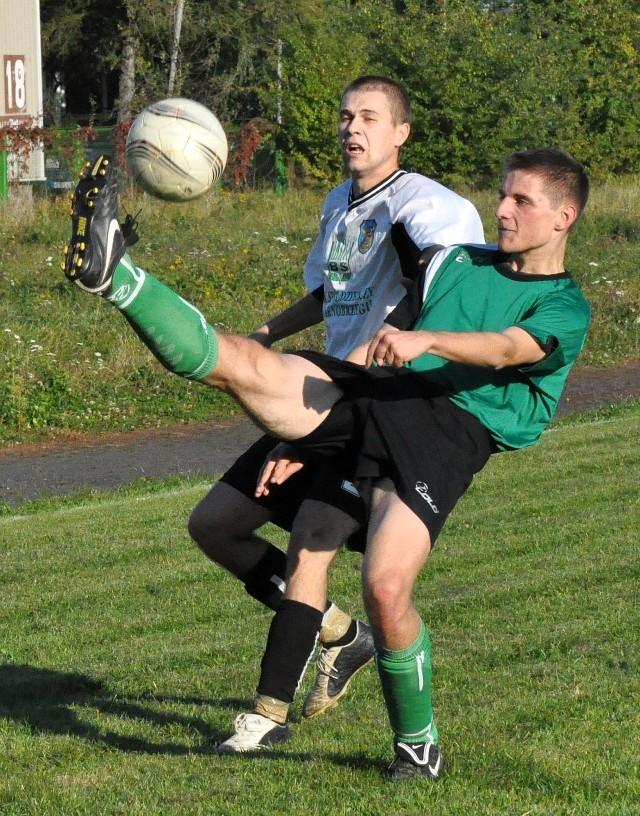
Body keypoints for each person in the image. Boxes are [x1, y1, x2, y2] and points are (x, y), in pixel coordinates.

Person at [62, 146, 590, 780]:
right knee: (249, 371)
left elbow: (507, 348)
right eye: (502, 194)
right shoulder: (453, 263)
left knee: (386, 589)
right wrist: (300, 436)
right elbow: (376, 342)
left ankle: (417, 746)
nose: (500, 210)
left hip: (448, 430)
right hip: (374, 395)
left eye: (520, 201)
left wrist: (428, 340)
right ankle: (115, 276)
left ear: (565, 216)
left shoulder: (566, 306)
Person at [184, 73, 485, 743]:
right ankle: (341, 636)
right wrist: (265, 336)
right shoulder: (339, 203)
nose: (353, 127)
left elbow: (441, 287)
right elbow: (327, 293)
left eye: (370, 117)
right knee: (216, 526)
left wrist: (320, 425)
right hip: (323, 391)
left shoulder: (423, 205)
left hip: (376, 408)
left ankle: (265, 719)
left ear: (401, 132)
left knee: (311, 545)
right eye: (347, 116)